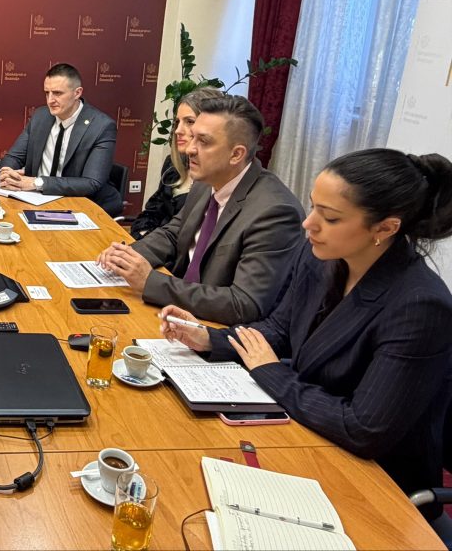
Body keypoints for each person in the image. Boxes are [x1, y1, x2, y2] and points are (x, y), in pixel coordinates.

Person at [158, 148, 452, 524]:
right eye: (313, 207)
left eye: (330, 217)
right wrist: (208, 339)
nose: (308, 223)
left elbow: (363, 429)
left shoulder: (419, 305)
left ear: (385, 228)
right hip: (305, 431)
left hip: (374, 484)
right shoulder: (320, 256)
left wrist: (270, 372)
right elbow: (280, 330)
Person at [97, 95, 304, 324]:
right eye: (193, 137)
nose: (189, 149)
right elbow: (173, 233)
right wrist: (126, 257)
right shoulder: (208, 180)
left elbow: (243, 304)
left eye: (203, 142)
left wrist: (150, 282)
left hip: (215, 329)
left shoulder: (275, 212)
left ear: (236, 154)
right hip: (179, 310)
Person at [0, 63, 121, 216]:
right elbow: (14, 157)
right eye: (47, 93)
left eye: (57, 93)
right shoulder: (40, 116)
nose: (50, 100)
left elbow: (91, 182)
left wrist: (36, 182)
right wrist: (6, 174)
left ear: (77, 93)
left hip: (82, 205)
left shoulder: (101, 126)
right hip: (36, 200)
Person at [129, 87, 224, 238]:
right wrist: (143, 236)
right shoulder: (172, 164)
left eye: (189, 122)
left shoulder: (217, 178)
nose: (178, 130)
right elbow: (152, 212)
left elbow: (188, 236)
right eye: (177, 122)